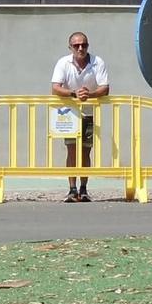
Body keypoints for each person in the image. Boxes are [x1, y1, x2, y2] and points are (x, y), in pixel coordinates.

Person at [50, 29, 109, 202]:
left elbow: (105, 87)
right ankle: (72, 189)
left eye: (83, 45)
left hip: (89, 113)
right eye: (76, 45)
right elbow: (55, 87)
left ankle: (83, 189)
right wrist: (73, 94)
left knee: (85, 151)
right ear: (70, 47)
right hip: (69, 114)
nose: (80, 48)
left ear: (88, 46)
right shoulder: (63, 63)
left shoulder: (98, 62)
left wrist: (88, 95)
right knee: (71, 150)